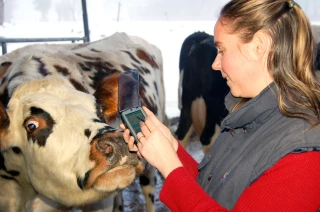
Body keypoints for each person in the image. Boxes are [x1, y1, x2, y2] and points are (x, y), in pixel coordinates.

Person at [121, 0, 320, 211]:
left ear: (259, 46)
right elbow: (213, 191)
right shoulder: (249, 117)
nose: (215, 64)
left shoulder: (305, 150)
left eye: (222, 50)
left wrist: (170, 167)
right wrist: (171, 148)